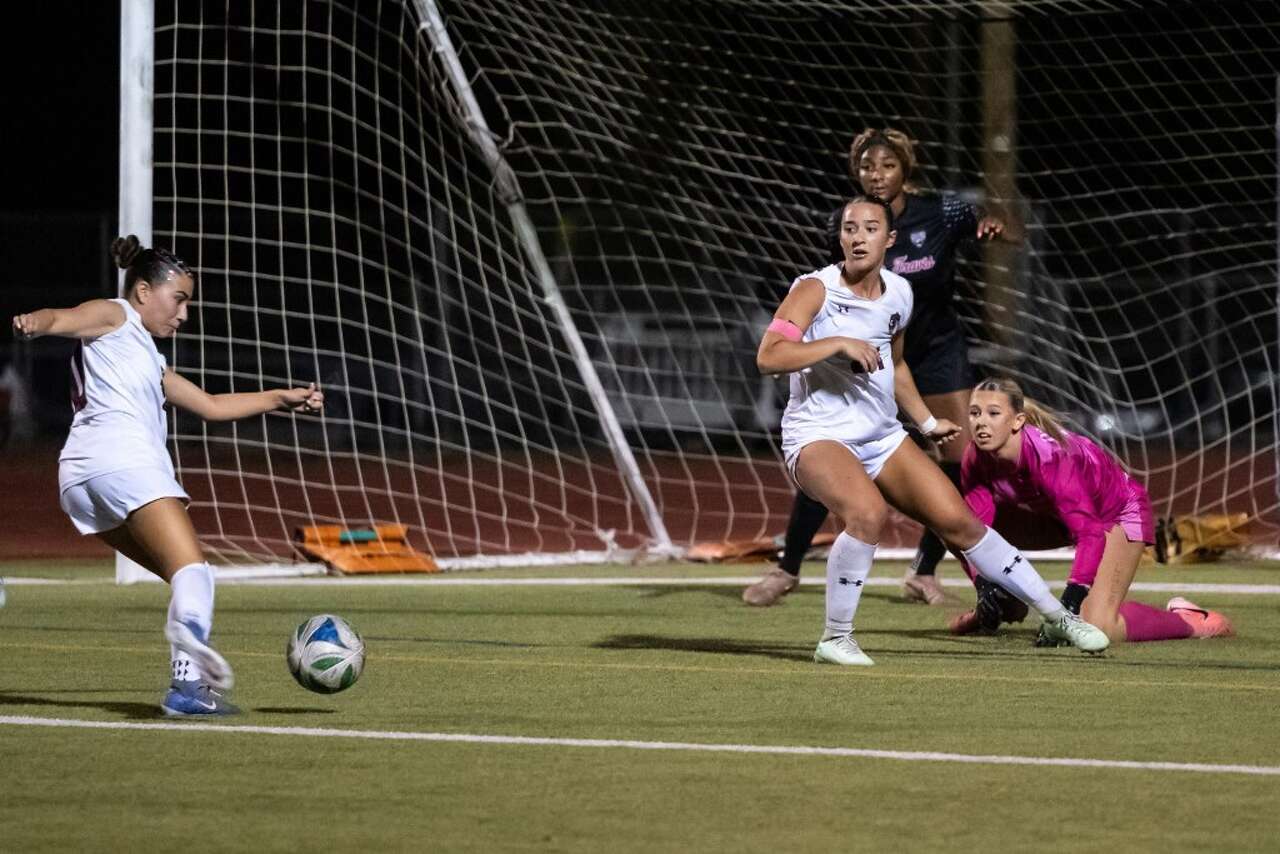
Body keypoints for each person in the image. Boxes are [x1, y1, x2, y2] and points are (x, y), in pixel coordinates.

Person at [757, 196, 1109, 665]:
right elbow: (770, 356)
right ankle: (835, 638)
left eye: (869, 228)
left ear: (890, 239)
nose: (857, 237)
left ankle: (1058, 617)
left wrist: (924, 421)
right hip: (818, 435)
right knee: (866, 512)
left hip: (881, 435)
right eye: (848, 228)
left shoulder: (900, 293)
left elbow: (897, 364)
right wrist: (836, 342)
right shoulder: (814, 290)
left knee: (962, 523)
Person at [11, 235, 325, 716]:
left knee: (187, 579)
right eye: (178, 299)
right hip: (124, 462)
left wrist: (281, 398)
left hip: (81, 480)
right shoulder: (115, 316)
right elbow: (66, 318)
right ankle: (185, 684)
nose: (183, 314)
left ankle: (189, 685)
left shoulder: (146, 359)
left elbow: (211, 406)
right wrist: (38, 323)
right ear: (142, 292)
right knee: (195, 574)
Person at [745, 127, 1016, 607]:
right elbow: (837, 291)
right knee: (833, 448)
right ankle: (788, 568)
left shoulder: (943, 211)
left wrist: (996, 226)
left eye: (887, 166)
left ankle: (925, 572)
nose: (876, 175)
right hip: (872, 351)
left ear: (905, 169)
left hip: (935, 349)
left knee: (958, 456)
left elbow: (1008, 228)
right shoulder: (849, 220)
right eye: (868, 167)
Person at [949, 377, 1233, 643]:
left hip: (1116, 515)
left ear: (1017, 420)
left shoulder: (1051, 457)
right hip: (1056, 519)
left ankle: (1191, 621)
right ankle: (1001, 606)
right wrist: (983, 583)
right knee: (950, 521)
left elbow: (1090, 532)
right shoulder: (975, 458)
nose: (981, 423)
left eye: (993, 413)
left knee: (1098, 624)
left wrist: (1069, 604)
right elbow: (974, 529)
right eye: (975, 413)